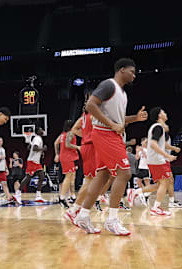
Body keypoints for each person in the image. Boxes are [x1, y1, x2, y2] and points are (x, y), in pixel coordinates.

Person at [72, 58, 148, 235]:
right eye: (132, 71)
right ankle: (112, 220)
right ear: (122, 70)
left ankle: (82, 215)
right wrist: (112, 125)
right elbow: (90, 105)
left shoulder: (122, 93)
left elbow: (119, 121)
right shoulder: (109, 85)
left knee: (102, 176)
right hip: (105, 133)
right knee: (125, 172)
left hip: (109, 133)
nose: (134, 75)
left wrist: (135, 118)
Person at [142, 107, 177, 216]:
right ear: (159, 115)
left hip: (154, 159)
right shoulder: (158, 127)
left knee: (160, 184)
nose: (165, 113)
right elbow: (152, 144)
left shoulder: (157, 127)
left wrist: (173, 149)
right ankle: (155, 208)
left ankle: (136, 192)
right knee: (165, 182)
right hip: (157, 159)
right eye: (163, 112)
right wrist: (167, 155)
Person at [14, 128, 47, 204]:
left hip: (36, 161)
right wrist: (43, 149)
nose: (43, 131)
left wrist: (40, 152)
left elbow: (29, 147)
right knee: (28, 177)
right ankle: (17, 194)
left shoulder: (36, 139)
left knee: (42, 176)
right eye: (41, 130)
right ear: (38, 132)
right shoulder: (37, 138)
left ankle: (38, 196)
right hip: (32, 161)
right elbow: (35, 148)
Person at [54, 120, 78, 208]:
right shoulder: (70, 133)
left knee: (71, 178)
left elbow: (55, 143)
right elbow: (68, 145)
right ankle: (62, 197)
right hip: (68, 157)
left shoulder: (62, 135)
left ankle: (70, 196)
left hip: (66, 158)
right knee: (69, 178)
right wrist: (78, 147)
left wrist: (57, 154)